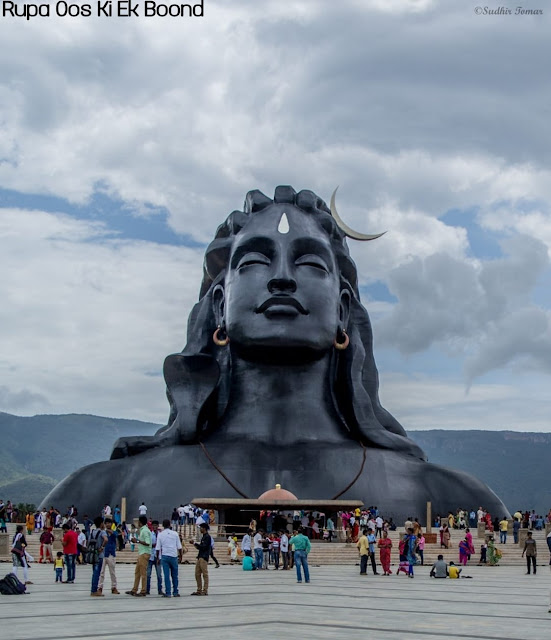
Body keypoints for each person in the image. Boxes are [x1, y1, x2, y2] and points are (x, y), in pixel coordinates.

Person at [48, 187, 509, 523]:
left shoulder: (449, 495)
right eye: (253, 262)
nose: (282, 278)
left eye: (310, 262)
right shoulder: (102, 488)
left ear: (344, 309)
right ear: (218, 307)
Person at [125, 515, 152, 596]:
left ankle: (143, 590)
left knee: (143, 573)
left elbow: (148, 543)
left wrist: (137, 541)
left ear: (140, 522)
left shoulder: (145, 531)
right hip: (141, 553)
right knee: (137, 572)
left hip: (144, 553)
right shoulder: (142, 530)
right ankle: (134, 589)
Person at [156, 519, 183, 597]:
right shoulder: (175, 534)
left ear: (163, 526)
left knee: (166, 575)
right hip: (174, 556)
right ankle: (175, 591)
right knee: (175, 575)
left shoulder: (160, 534)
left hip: (164, 557)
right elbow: (179, 547)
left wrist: (157, 558)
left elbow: (158, 548)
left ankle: (168, 592)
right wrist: (180, 556)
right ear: (170, 525)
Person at [98, 517, 119, 595]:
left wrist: (108, 530)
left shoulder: (114, 532)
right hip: (104, 554)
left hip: (111, 554)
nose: (107, 524)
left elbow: (116, 534)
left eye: (109, 523)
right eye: (106, 523)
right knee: (102, 572)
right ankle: (100, 587)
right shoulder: (102, 533)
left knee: (112, 572)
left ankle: (114, 587)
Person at [190, 522, 211, 595]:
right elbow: (200, 548)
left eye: (201, 528)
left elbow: (203, 547)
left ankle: (205, 590)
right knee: (197, 574)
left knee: (205, 574)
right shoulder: (203, 537)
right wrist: (194, 544)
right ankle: (199, 590)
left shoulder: (207, 537)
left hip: (204, 557)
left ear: (204, 528)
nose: (200, 529)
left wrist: (195, 543)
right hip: (200, 557)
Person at [90, 517, 108, 597]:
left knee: (94, 573)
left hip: (93, 554)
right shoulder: (102, 532)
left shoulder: (92, 532)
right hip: (99, 555)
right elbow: (106, 539)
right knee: (97, 574)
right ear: (101, 524)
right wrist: (102, 547)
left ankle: (93, 589)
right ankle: (94, 591)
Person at [147, 520, 164, 595]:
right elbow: (148, 544)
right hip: (151, 556)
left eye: (156, 525)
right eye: (153, 525)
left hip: (158, 556)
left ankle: (160, 590)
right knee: (148, 574)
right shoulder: (150, 534)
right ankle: (147, 589)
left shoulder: (161, 534)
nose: (154, 527)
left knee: (159, 575)